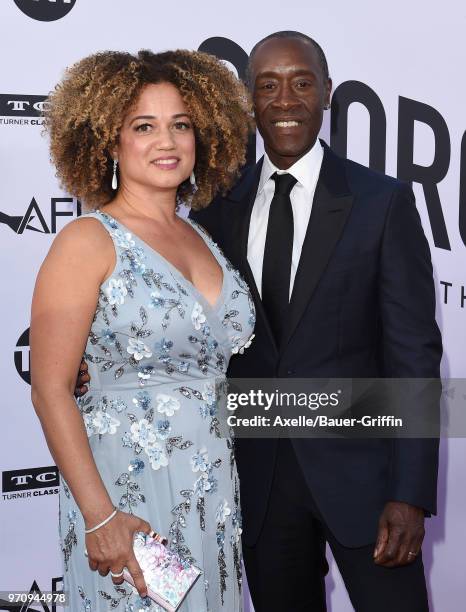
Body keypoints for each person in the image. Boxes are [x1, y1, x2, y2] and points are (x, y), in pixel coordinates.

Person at [189, 32, 442, 611]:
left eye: (301, 83)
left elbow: (414, 354)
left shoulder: (381, 202)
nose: (285, 100)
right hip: (260, 486)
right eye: (268, 85)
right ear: (248, 98)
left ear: (327, 93)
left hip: (369, 487)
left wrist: (411, 494)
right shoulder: (212, 210)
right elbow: (193, 338)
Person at [30, 49, 255, 612]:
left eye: (181, 125)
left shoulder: (204, 239)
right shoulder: (86, 240)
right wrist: (99, 515)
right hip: (127, 496)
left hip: (213, 492)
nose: (168, 141)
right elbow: (50, 387)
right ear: (109, 141)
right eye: (144, 126)